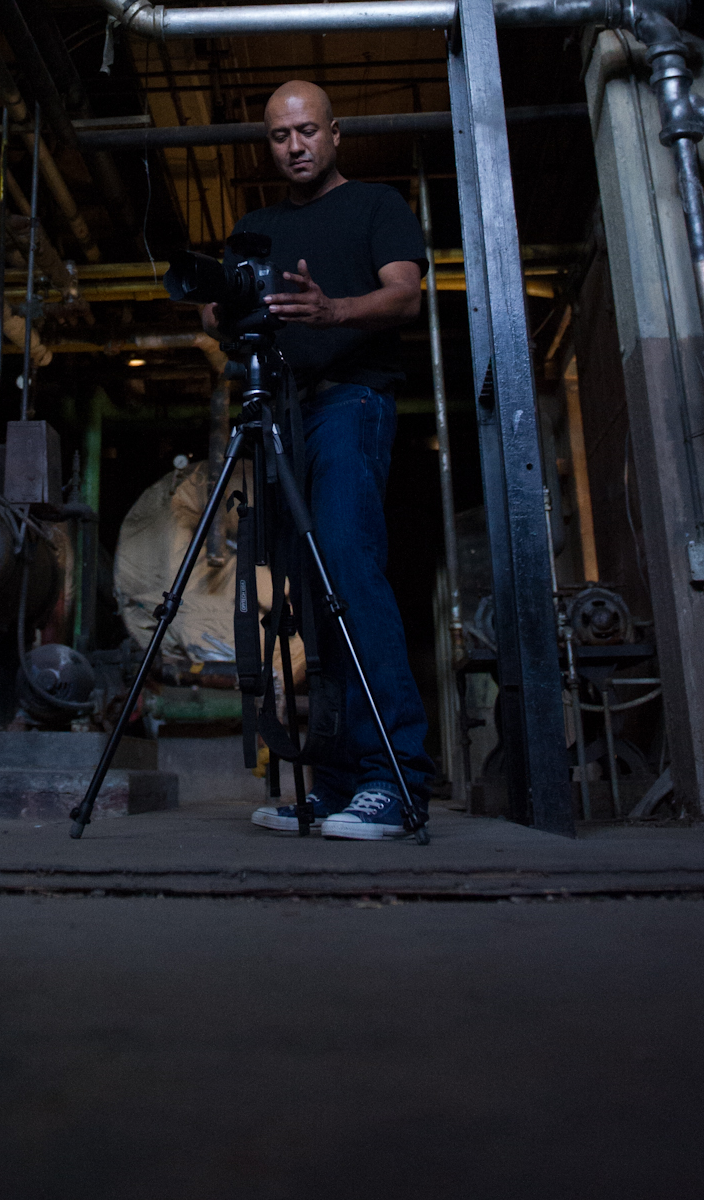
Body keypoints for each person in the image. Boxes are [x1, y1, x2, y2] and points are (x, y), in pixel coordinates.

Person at [201, 78, 434, 841]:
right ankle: (333, 784)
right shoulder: (256, 225)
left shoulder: (375, 206)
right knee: (307, 598)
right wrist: (216, 302)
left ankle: (392, 781)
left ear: (335, 133)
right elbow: (223, 317)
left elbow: (406, 295)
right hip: (283, 418)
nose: (293, 145)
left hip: (348, 402)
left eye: (305, 131)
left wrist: (333, 309)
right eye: (277, 135)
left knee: (348, 574)